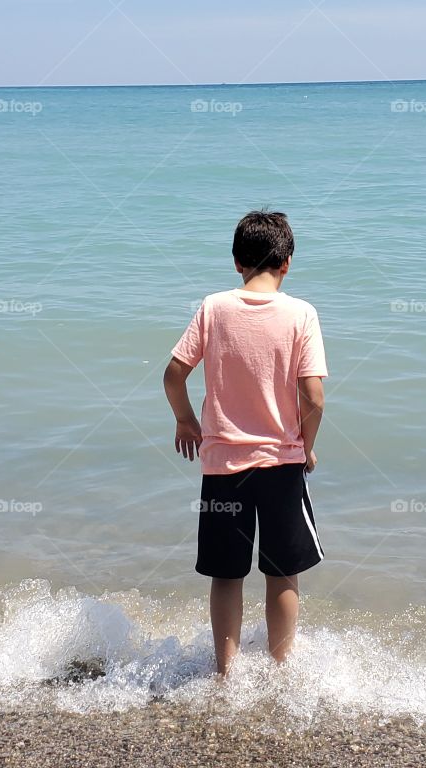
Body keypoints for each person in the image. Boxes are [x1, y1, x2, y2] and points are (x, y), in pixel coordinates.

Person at [163, 210, 327, 675]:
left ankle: (226, 676)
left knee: (226, 574)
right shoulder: (301, 314)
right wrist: (304, 444)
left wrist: (186, 422)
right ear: (287, 263)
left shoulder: (214, 308)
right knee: (282, 574)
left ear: (237, 262)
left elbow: (174, 374)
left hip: (223, 468)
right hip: (281, 465)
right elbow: (314, 397)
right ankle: (279, 670)